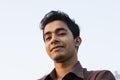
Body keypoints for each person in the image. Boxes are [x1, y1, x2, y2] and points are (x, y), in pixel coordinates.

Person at [39, 10, 115, 80]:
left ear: (77, 41)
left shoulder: (100, 77)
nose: (53, 40)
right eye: (48, 38)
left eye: (61, 34)